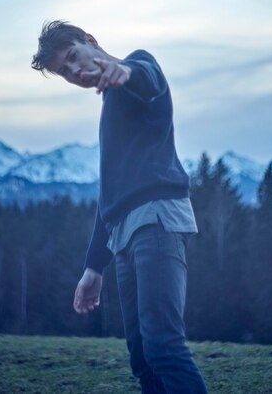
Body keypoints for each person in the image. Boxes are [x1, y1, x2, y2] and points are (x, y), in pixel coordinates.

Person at [31, 20, 209, 394]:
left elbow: (148, 79)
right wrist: (94, 267)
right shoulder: (109, 104)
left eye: (74, 57)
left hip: (158, 219)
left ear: (91, 41)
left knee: (164, 346)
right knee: (143, 358)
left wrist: (124, 72)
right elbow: (110, 193)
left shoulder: (137, 66)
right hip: (125, 235)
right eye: (65, 71)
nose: (75, 71)